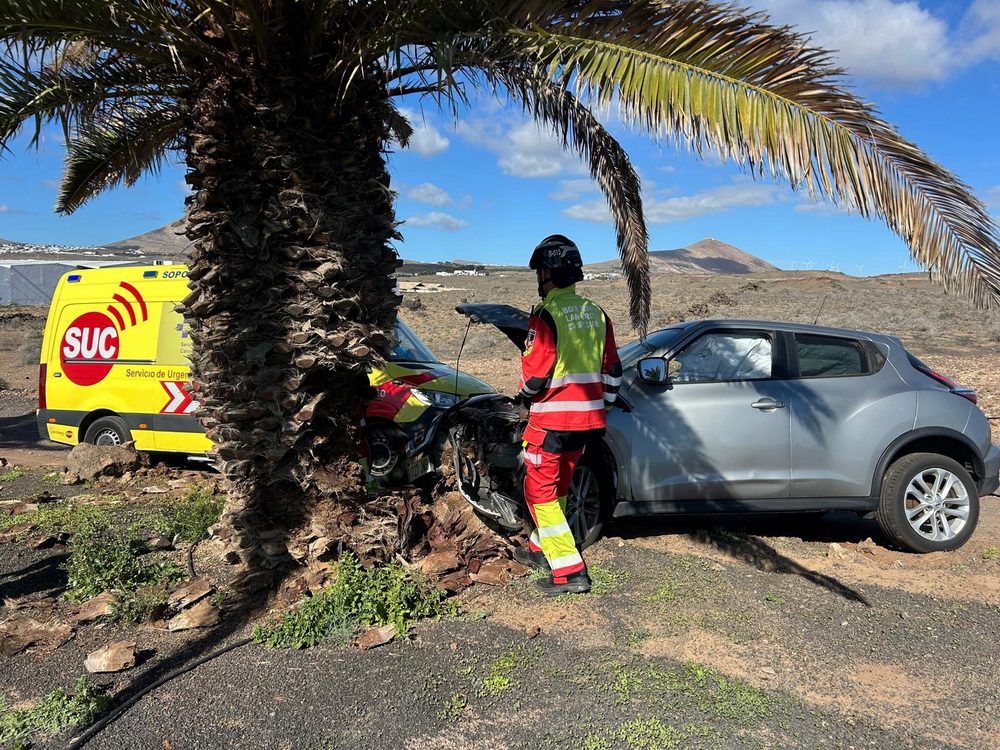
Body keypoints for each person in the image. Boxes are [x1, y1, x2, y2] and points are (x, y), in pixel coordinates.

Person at [513, 234, 622, 595]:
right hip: (587, 423)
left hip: (551, 423)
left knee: (539, 492)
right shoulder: (597, 313)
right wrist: (602, 407)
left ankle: (570, 571)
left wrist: (522, 396)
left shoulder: (546, 314)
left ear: (546, 273)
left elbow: (535, 376)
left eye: (539, 272)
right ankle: (540, 549)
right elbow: (612, 371)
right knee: (559, 486)